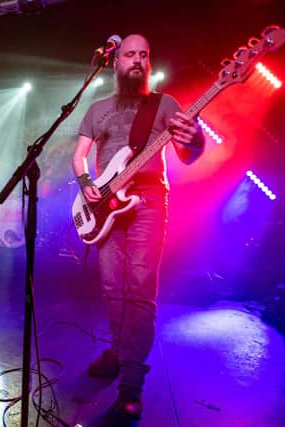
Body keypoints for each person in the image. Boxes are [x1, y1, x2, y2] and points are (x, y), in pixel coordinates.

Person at [72, 34, 205, 419]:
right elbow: (80, 157)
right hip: (104, 207)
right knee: (113, 286)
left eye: (143, 55)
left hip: (148, 201)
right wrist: (86, 186)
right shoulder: (97, 109)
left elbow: (188, 155)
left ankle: (132, 382)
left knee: (140, 288)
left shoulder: (164, 105)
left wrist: (194, 138)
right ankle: (118, 351)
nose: (137, 60)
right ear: (116, 62)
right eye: (129, 54)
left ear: (149, 62)